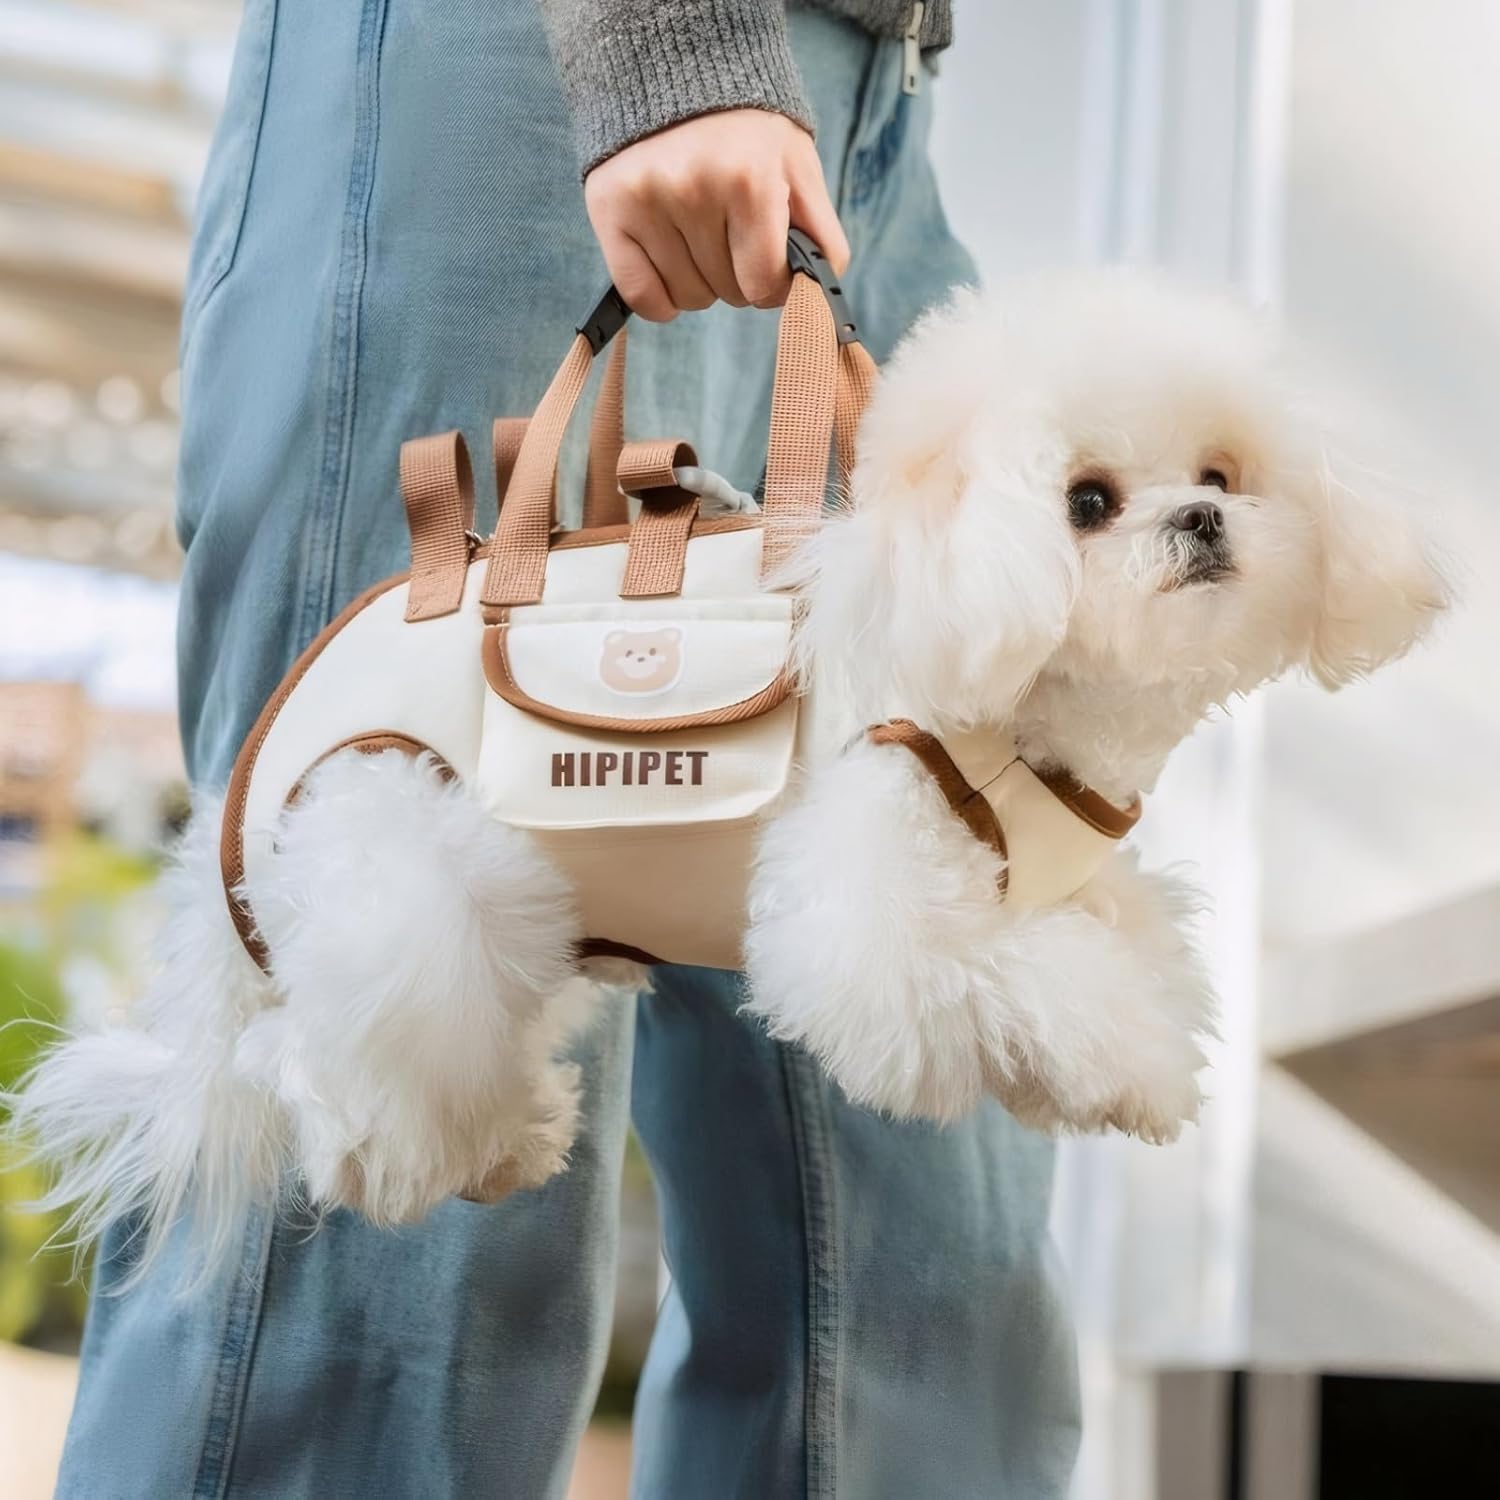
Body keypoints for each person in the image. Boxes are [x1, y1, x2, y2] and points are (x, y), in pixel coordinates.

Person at [57, 4, 1080, 1495]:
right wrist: (671, 38)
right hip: (547, 69)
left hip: (874, 100)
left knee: (916, 1249)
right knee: (399, 1162)